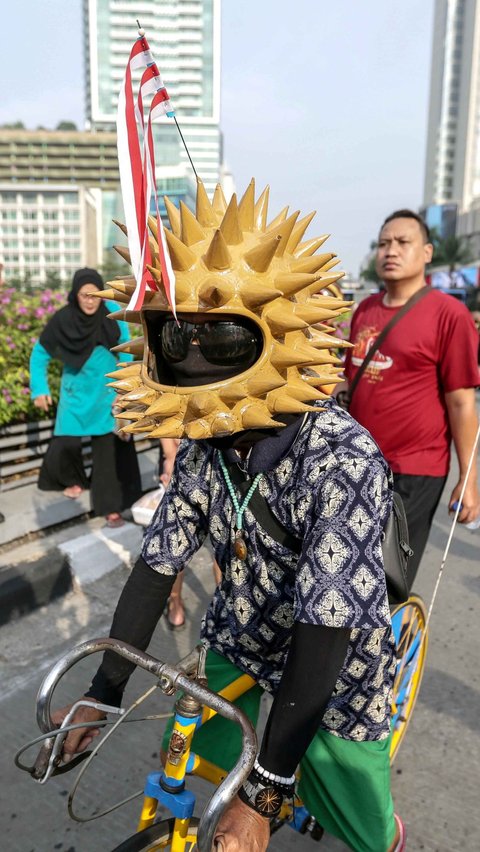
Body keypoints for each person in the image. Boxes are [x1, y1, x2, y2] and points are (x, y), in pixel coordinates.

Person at [50, 181, 406, 851]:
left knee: (363, 821)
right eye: (177, 339)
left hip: (333, 668)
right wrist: (106, 688)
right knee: (195, 784)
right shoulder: (205, 447)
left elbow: (325, 631)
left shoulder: (343, 461)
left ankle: (385, 835)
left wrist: (266, 790)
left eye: (223, 341)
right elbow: (160, 562)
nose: (192, 362)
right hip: (242, 637)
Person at [343, 210, 480, 585]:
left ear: (427, 252)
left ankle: (387, 644)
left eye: (404, 242)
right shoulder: (366, 309)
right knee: (342, 571)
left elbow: (461, 402)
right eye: (384, 243)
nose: (392, 250)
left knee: (385, 580)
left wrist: (468, 478)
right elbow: (348, 381)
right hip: (356, 464)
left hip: (414, 470)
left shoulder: (449, 315)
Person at [30, 267, 142, 527]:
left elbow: (126, 350)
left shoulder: (113, 316)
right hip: (74, 395)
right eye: (85, 295)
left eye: (95, 295)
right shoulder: (62, 319)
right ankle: (74, 479)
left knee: (107, 454)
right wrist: (40, 390)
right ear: (75, 294)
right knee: (65, 443)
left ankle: (110, 507)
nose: (90, 301)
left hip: (106, 394)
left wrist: (123, 388)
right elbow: (39, 355)